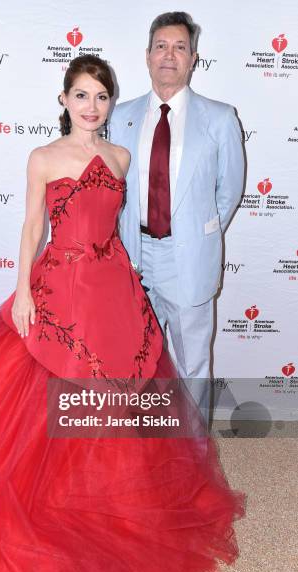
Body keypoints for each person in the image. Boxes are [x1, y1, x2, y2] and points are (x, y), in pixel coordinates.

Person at [0, 55, 245, 572]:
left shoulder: (121, 157)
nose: (91, 106)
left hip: (115, 289)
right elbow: (33, 225)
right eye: (81, 95)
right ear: (63, 101)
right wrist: (25, 291)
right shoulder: (42, 158)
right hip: (61, 289)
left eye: (101, 97)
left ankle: (115, 505)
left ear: (110, 103)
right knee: (35, 408)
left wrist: (132, 286)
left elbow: (119, 229)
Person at [110, 12, 245, 425]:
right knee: (134, 366)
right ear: (148, 56)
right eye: (162, 47)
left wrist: (192, 235)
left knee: (191, 370)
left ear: (193, 59)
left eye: (180, 47)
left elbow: (229, 192)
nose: (170, 55)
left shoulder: (220, 118)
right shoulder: (120, 116)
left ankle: (193, 460)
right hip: (133, 259)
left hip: (188, 259)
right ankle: (143, 456)